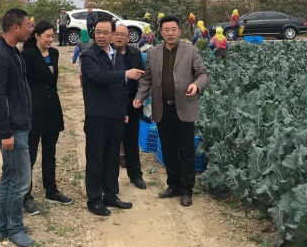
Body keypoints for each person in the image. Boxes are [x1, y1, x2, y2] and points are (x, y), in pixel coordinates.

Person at [133, 15, 210, 208]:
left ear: (179, 31)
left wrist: (196, 85)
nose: (170, 33)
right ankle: (173, 185)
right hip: (162, 108)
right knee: (168, 149)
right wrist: (139, 97)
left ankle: (186, 189)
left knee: (186, 151)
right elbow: (147, 79)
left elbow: (203, 74)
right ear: (161, 32)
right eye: (166, 30)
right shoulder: (153, 53)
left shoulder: (191, 51)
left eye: (173, 29)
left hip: (184, 107)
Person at [80, 16, 143, 216]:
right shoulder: (88, 55)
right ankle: (94, 199)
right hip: (97, 114)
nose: (101, 36)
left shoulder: (116, 55)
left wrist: (123, 111)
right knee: (95, 157)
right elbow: (98, 77)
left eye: (105, 32)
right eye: (98, 32)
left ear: (112, 34)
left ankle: (110, 194)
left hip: (116, 115)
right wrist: (125, 74)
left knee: (112, 157)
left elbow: (120, 87)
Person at [0, 8, 34, 247]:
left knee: (9, 177)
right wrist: (5, 132)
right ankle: (14, 228)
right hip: (12, 128)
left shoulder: (11, 51)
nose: (29, 30)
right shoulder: (0, 56)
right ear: (15, 27)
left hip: (17, 124)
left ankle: (3, 227)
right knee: (20, 181)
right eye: (27, 26)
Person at [22, 21, 72, 216]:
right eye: (47, 36)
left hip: (52, 108)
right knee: (30, 155)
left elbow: (53, 81)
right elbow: (24, 84)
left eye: (53, 36)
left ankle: (51, 190)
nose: (51, 39)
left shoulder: (55, 53)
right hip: (35, 110)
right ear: (37, 35)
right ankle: (26, 195)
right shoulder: (27, 55)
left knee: (50, 152)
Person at [113, 24, 146, 189]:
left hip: (132, 103)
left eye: (123, 35)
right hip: (113, 104)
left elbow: (143, 78)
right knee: (112, 142)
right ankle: (112, 179)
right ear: (112, 36)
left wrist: (140, 96)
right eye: (116, 34)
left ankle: (135, 175)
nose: (119, 37)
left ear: (128, 38)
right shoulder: (107, 54)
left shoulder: (135, 53)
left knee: (132, 140)